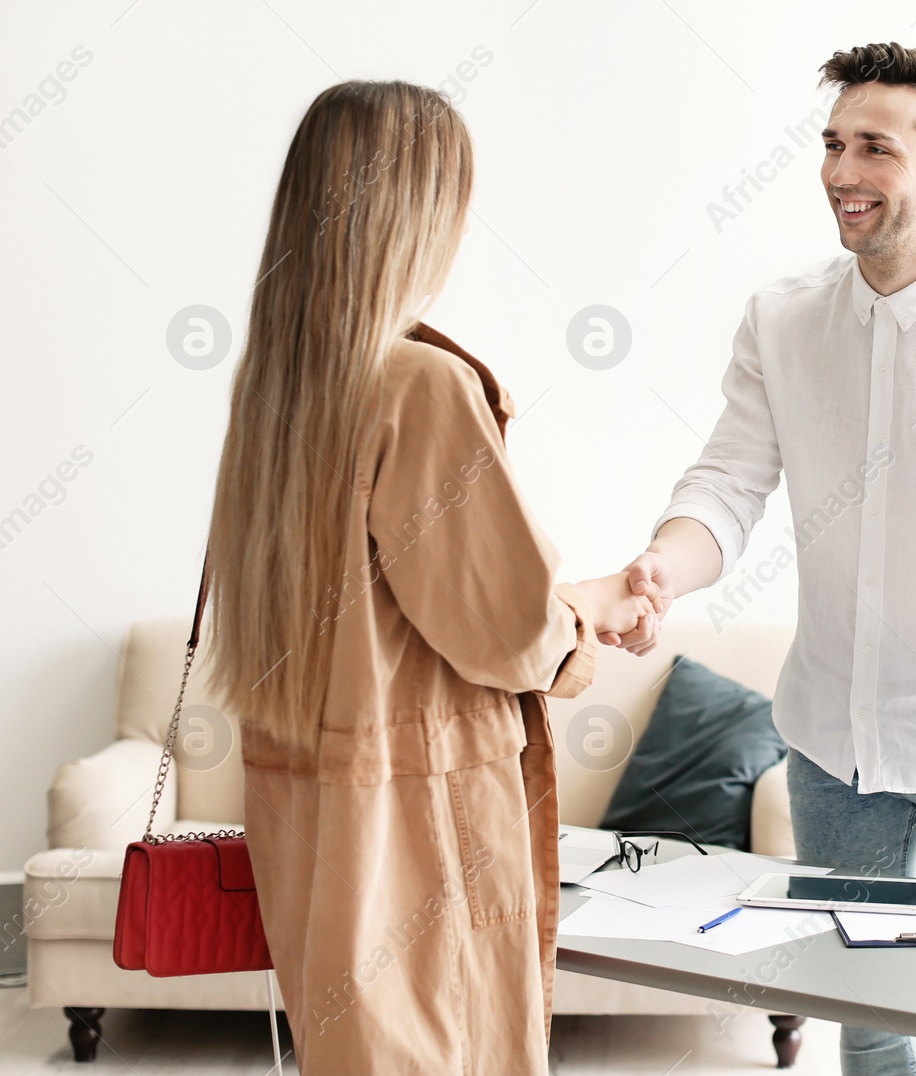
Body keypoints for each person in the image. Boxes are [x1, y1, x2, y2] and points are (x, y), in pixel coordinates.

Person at [601, 43, 916, 1075]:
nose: (841, 170)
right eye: (833, 144)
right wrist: (665, 561)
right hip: (831, 743)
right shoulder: (783, 320)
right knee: (870, 1014)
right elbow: (727, 484)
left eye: (874, 147)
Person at [202, 80, 658, 1074]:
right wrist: (584, 625)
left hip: (312, 803)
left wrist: (576, 602)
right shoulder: (419, 383)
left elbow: (403, 605)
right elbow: (504, 628)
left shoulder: (279, 381)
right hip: (423, 813)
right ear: (414, 212)